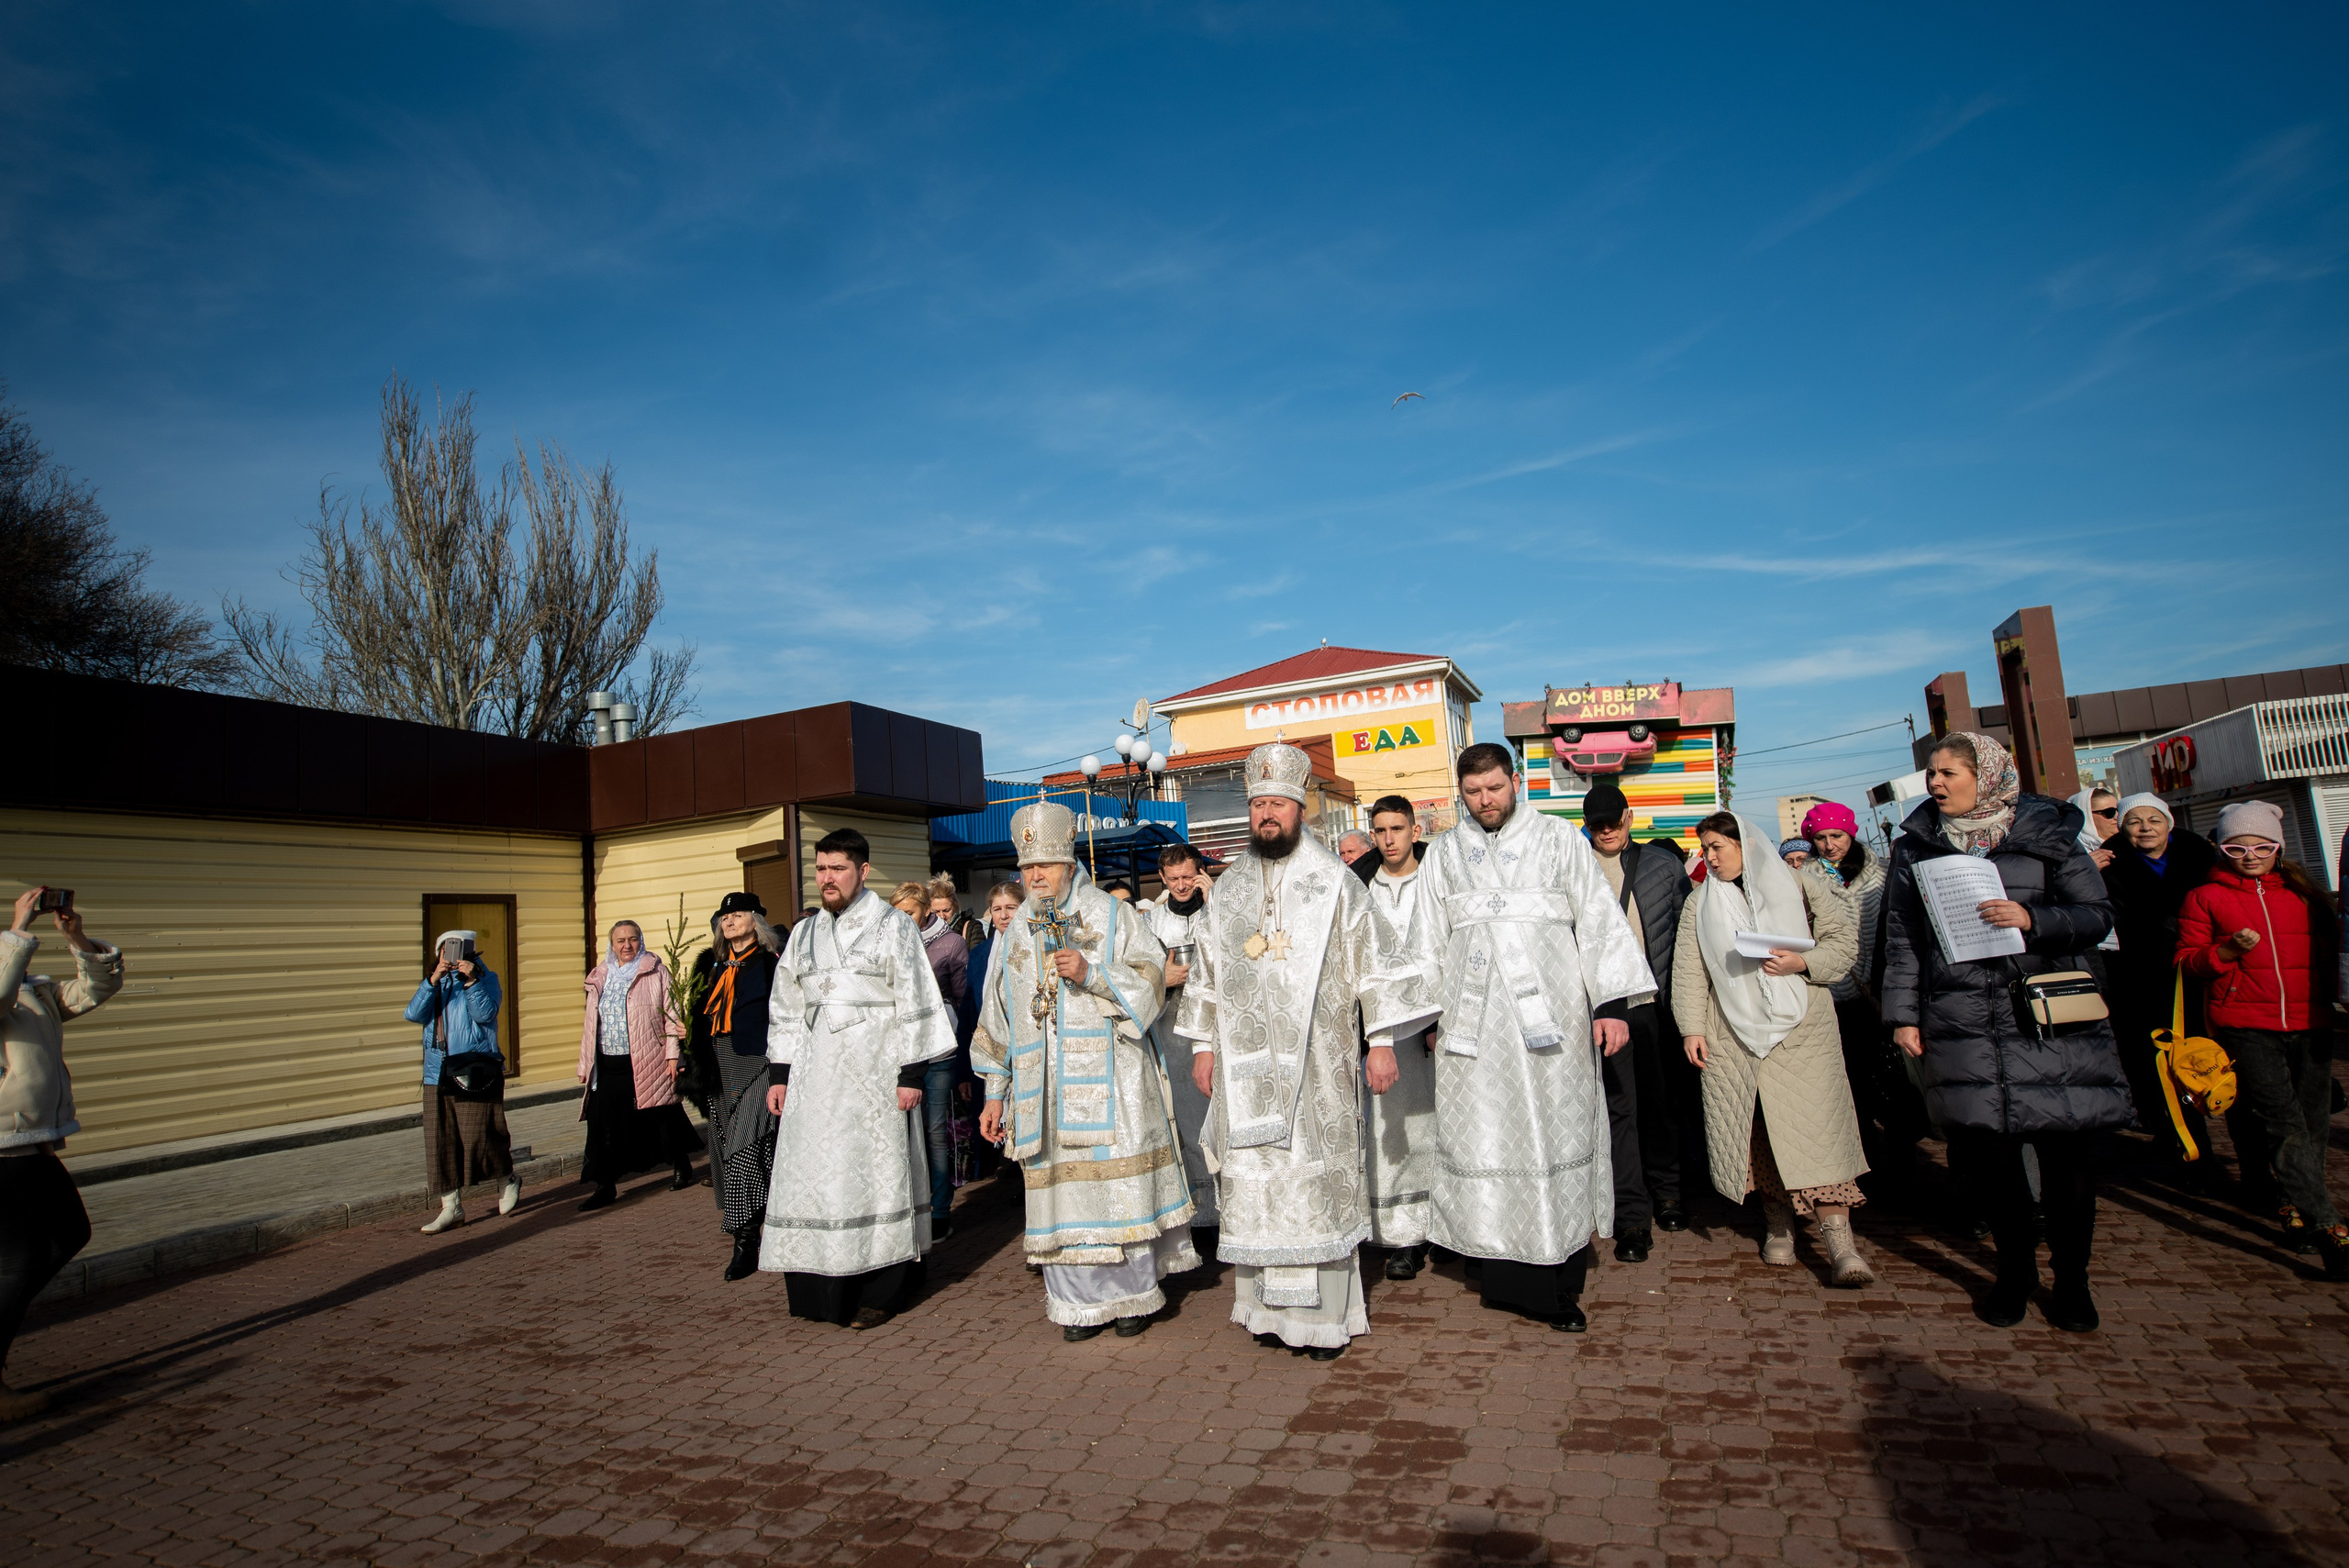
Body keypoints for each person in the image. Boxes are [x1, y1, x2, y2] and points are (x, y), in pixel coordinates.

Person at [1174, 743, 1436, 1360]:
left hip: (1320, 1067)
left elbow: (1374, 965)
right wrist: (1205, 1046)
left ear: (1299, 808)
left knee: (1314, 1186)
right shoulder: (1231, 887)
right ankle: (1266, 1312)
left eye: (1278, 804)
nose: (1267, 814)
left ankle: (1321, 1321)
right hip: (1244, 1068)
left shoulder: (1335, 882)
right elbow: (1208, 972)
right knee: (1257, 1180)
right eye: (1259, 803)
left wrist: (1380, 1043)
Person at [1882, 731, 2130, 1332]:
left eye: (1949, 772)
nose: (1936, 783)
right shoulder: (1916, 846)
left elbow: (2097, 916)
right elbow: (1903, 937)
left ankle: (2073, 1280)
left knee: (2066, 1156)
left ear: (1987, 775)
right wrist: (1904, 1016)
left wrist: (2032, 918)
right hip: (1963, 1020)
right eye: (1932, 773)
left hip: (2047, 1019)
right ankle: (2013, 1272)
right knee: (1992, 1160)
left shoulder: (2049, 835)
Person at [1417, 744, 1655, 1333]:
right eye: (1472, 793)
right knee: (1485, 1141)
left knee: (1555, 1134)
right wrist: (1427, 1017)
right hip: (1473, 1036)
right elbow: (1424, 937)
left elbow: (1598, 921)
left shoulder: (1559, 840)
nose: (1484, 802)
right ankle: (1494, 1260)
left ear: (1515, 781)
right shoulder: (1444, 852)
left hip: (1555, 1029)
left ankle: (1556, 1272)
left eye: (1494, 789)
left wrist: (1612, 1004)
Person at [974, 802, 1199, 1340]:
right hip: (1043, 1090)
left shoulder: (1111, 914)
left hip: (1113, 1081)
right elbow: (997, 1012)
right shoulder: (1014, 930)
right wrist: (994, 1091)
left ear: (1069, 864)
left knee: (1116, 1189)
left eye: (1045, 866)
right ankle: (1076, 1304)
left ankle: (1132, 1299)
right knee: (1060, 1197)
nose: (1035, 877)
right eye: (1028, 868)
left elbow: (1153, 979)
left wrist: (1094, 973)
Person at [760, 828, 958, 1329]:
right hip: (811, 1081)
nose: (827, 879)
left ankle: (880, 1291)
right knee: (817, 1178)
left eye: (838, 869)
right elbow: (784, 1007)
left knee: (874, 1177)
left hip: (874, 1078)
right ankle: (819, 1291)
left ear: (863, 871)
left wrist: (911, 1072)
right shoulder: (803, 933)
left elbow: (917, 999)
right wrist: (779, 1074)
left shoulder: (894, 927)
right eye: (822, 869)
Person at [1675, 813, 1875, 1286]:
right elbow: (1689, 970)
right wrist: (1691, 1028)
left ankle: (1839, 1240)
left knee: (1818, 1130)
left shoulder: (1802, 885)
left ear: (1745, 843)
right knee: (1757, 1131)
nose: (1712, 856)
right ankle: (1778, 1224)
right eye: (1706, 848)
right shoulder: (1700, 903)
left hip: (1803, 1029)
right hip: (1734, 1033)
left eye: (1720, 846)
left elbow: (1845, 942)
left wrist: (1804, 962)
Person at [2175, 800, 2346, 1276]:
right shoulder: (2205, 896)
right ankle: (2329, 1225)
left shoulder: (2307, 894)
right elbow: (2187, 961)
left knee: (2313, 1124)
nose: (2250, 855)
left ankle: (2292, 1204)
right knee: (2282, 1122)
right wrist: (2226, 951)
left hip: (2312, 1022)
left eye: (2261, 846)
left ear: (2278, 847)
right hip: (2245, 1024)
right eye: (2236, 847)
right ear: (2222, 848)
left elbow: (2336, 957)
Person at [1, 886, 121, 1422]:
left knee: (69, 1233)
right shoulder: (7, 986)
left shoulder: (33, 992)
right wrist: (19, 930)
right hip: (1, 1148)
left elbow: (97, 989)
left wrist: (76, 938)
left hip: (30, 1143)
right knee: (22, 1256)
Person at [1580, 781, 1695, 1254]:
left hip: (1653, 1005)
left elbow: (1688, 940)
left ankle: (1668, 1191)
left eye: (1614, 820)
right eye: (1597, 824)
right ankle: (1632, 1214)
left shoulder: (1662, 866)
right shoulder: (1576, 866)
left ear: (1630, 817)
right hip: (1602, 1010)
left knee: (1661, 1103)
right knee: (1618, 1109)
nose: (1607, 831)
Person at [1800, 800, 1917, 1199]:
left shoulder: (1882, 874)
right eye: (1820, 837)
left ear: (1851, 833)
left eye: (1837, 835)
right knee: (1849, 1087)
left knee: (1894, 1082)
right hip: (1833, 997)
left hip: (1882, 994)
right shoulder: (1803, 879)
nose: (1830, 845)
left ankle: (1905, 1161)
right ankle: (1864, 1164)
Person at [2101, 794, 2221, 1158]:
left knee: (2214, 1059)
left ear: (2169, 822)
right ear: (2123, 828)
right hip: (2142, 978)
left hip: (2203, 973)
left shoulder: (2204, 860)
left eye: (2154, 819)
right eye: (2135, 821)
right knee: (2161, 1066)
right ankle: (2186, 1149)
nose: (2145, 828)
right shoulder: (2107, 865)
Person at [1353, 794, 1441, 1279]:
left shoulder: (1435, 878)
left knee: (1439, 1123)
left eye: (1398, 829)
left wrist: (1434, 1021)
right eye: (1381, 831)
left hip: (1435, 1024)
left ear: (1414, 829)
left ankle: (1440, 1225)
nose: (1389, 840)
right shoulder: (1360, 886)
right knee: (1393, 1127)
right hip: (1382, 1029)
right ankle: (1401, 1234)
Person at [690, 893, 784, 1281]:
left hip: (756, 1063)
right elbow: (696, 1010)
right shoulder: (710, 966)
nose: (729, 921)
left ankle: (746, 1242)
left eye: (737, 914)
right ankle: (755, 1225)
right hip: (718, 1063)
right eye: (724, 916)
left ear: (756, 921)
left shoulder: (769, 964)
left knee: (746, 1146)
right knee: (727, 1148)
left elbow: (783, 1015)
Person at [577, 920, 699, 1213]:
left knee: (662, 1113)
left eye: (633, 939)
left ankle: (682, 1164)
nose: (627, 945)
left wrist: (674, 1056)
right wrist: (585, 1062)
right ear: (612, 944)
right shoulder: (601, 975)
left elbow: (672, 1014)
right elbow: (591, 1024)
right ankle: (605, 1185)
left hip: (647, 1057)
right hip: (607, 1062)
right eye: (620, 940)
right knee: (602, 1122)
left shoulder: (655, 971)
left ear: (640, 941)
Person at [406, 928, 518, 1233]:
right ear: (440, 953)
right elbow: (413, 1014)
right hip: (437, 1072)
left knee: (481, 1135)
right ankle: (451, 1207)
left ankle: (506, 1178)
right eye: (446, 951)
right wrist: (433, 981)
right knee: (440, 1142)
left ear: (470, 951)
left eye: (458, 950)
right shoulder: (435, 983)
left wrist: (471, 981)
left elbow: (485, 1014)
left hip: (474, 1068)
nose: (452, 957)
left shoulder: (486, 979)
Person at [1140, 843, 1219, 1237]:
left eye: (1188, 876)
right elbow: (1139, 974)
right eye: (1173, 879)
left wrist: (1214, 901)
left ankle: (1231, 1204)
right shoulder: (1151, 921)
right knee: (1186, 1118)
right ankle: (1201, 1211)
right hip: (1171, 1029)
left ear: (1200, 871)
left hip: (1218, 1027)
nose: (1182, 885)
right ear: (1163, 879)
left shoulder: (1217, 908)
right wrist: (1164, 979)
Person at [895, 881, 972, 1241]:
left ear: (926, 909)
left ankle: (939, 1209)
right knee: (901, 1132)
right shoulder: (890, 941)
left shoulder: (950, 943)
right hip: (898, 1048)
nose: (903, 920)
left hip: (938, 1047)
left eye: (909, 912)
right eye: (897, 913)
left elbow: (962, 997)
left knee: (934, 1130)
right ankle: (907, 1206)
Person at [2069, 787, 2122, 870]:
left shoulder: (2132, 843)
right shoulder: (2069, 853)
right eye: (2109, 812)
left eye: (2119, 810)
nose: (2117, 817)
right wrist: (2086, 869)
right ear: (2087, 817)